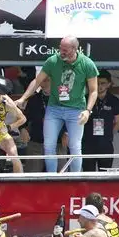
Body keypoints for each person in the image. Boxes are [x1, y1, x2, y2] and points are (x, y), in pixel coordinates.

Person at [17, 36, 99, 173]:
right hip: (54, 108)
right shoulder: (53, 60)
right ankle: (52, 176)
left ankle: (75, 177)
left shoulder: (87, 64)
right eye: (60, 48)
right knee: (49, 145)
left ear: (75, 49)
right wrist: (23, 98)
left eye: (65, 49)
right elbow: (37, 81)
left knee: (75, 146)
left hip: (76, 109)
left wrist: (88, 110)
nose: (61, 52)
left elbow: (94, 90)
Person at [81, 70, 119, 172]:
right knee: (88, 175)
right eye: (97, 83)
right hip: (87, 144)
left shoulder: (114, 101)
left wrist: (109, 135)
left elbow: (118, 122)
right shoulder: (85, 99)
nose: (99, 86)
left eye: (103, 83)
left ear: (109, 84)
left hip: (105, 145)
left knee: (105, 175)